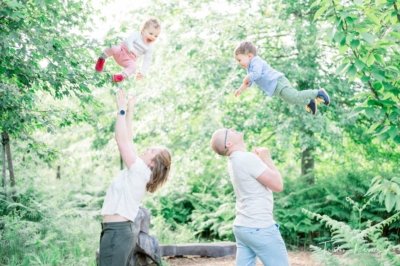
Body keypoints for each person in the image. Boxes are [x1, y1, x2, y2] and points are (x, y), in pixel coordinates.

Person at [99, 88, 171, 265]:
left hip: (118, 230)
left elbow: (121, 140)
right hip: (116, 230)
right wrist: (130, 109)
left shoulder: (139, 170)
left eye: (152, 150)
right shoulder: (139, 170)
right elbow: (128, 139)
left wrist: (121, 109)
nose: (148, 148)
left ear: (154, 162)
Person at [210, 128, 289, 266]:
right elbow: (278, 185)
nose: (233, 129)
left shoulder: (235, 160)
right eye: (229, 131)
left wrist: (258, 161)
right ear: (228, 143)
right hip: (259, 227)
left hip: (243, 227)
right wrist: (266, 159)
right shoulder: (246, 158)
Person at [234, 41, 330, 115]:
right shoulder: (250, 68)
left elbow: (256, 74)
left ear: (249, 56)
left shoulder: (256, 61)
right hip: (275, 87)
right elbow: (248, 82)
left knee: (294, 96)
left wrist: (248, 77)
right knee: (291, 100)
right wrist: (240, 89)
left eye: (239, 60)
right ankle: (310, 102)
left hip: (278, 82)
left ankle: (318, 93)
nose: (239, 63)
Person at [95, 18, 161, 83]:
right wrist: (131, 49)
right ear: (143, 30)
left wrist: (142, 72)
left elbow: (147, 60)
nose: (153, 37)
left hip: (129, 60)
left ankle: (120, 76)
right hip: (121, 51)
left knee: (133, 67)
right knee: (114, 48)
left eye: (156, 36)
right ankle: (102, 58)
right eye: (151, 33)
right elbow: (129, 40)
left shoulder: (150, 47)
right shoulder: (136, 35)